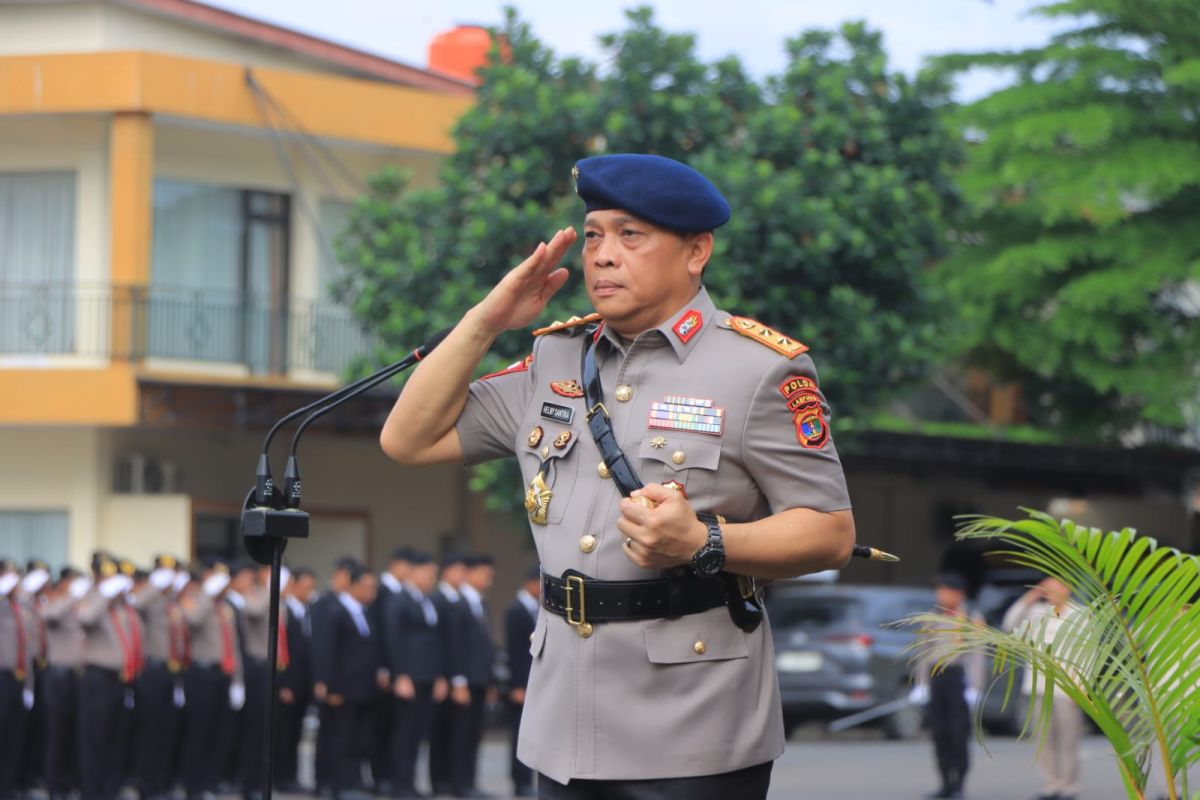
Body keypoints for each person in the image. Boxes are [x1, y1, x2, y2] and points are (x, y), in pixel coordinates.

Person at [380, 153, 855, 798]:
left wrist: (705, 540)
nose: (603, 255)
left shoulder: (760, 369)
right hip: (564, 718)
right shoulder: (556, 356)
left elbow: (830, 532)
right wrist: (486, 321)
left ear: (696, 251)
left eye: (630, 235)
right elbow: (408, 439)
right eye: (594, 235)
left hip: (694, 723)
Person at [1002, 577, 1082, 800]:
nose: (1051, 594)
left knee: (1068, 740)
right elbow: (1009, 624)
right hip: (1038, 686)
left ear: (1067, 589)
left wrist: (1081, 687)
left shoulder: (1079, 615)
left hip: (1068, 689)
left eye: (1055, 589)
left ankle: (1070, 786)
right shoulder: (1036, 613)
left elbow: (1087, 652)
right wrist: (1029, 598)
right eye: (1047, 590)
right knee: (1043, 739)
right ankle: (1051, 785)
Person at [311, 563, 386, 800]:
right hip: (341, 687)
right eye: (368, 586)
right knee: (336, 737)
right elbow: (325, 650)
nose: (372, 592)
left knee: (357, 738)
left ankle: (350, 781)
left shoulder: (365, 613)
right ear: (353, 586)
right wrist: (329, 684)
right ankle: (329, 784)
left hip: (362, 688)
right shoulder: (334, 611)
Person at [911, 572, 985, 800]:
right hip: (937, 677)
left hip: (959, 678)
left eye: (946, 591)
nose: (941, 595)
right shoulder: (932, 617)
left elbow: (977, 655)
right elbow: (923, 651)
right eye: (939, 591)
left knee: (958, 734)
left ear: (958, 594)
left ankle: (959, 784)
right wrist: (921, 684)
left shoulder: (971, 617)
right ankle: (944, 783)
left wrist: (975, 687)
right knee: (939, 732)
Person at [78, 555, 145, 800]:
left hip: (122, 679)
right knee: (95, 738)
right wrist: (104, 595)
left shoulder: (124, 608)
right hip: (98, 678)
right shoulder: (92, 599)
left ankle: (110, 789)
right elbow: (85, 618)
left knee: (115, 738)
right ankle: (92, 792)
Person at [179, 560, 244, 800]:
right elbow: (193, 620)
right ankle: (193, 787)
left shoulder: (225, 606)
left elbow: (233, 644)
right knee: (199, 732)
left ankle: (210, 782)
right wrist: (207, 594)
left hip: (223, 673)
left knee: (220, 732)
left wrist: (238, 680)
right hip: (201, 673)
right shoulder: (194, 600)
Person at [384, 551, 447, 798]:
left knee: (418, 733)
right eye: (429, 574)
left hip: (426, 675)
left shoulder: (426, 600)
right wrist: (400, 675)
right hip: (409, 676)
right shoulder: (399, 600)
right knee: (405, 733)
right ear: (415, 572)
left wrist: (439, 676)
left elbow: (435, 641)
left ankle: (410, 783)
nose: (432, 579)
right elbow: (393, 639)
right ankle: (400, 785)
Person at [41, 566, 88, 800]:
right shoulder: (55, 601)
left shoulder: (80, 606)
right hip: (58, 676)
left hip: (78, 676)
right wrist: (70, 597)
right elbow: (48, 616)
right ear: (64, 584)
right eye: (73, 582)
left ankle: (71, 782)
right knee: (58, 733)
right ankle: (55, 786)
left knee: (75, 732)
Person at [429, 554, 471, 797]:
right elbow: (442, 643)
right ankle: (439, 781)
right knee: (441, 732)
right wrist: (447, 677)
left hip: (457, 674)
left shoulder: (461, 599)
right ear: (446, 572)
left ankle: (455, 780)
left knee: (456, 733)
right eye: (459, 571)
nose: (462, 576)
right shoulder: (438, 600)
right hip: (445, 676)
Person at [277, 566, 316, 792]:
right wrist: (284, 683)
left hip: (304, 681)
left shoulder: (307, 610)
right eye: (305, 587)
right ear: (293, 586)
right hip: (288, 682)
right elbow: (281, 651)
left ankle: (292, 775)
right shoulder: (284, 610)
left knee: (296, 733)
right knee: (284, 733)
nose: (309, 592)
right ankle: (282, 777)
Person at [504, 566, 540, 798]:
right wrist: (517, 685)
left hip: (533, 681)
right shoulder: (516, 610)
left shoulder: (536, 608)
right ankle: (519, 781)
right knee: (519, 733)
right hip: (521, 682)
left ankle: (527, 779)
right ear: (530, 582)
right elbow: (515, 652)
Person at [0, 559, 32, 800]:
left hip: (17, 678)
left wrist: (29, 685)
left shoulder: (18, 606)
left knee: (14, 735)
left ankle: (8, 787)